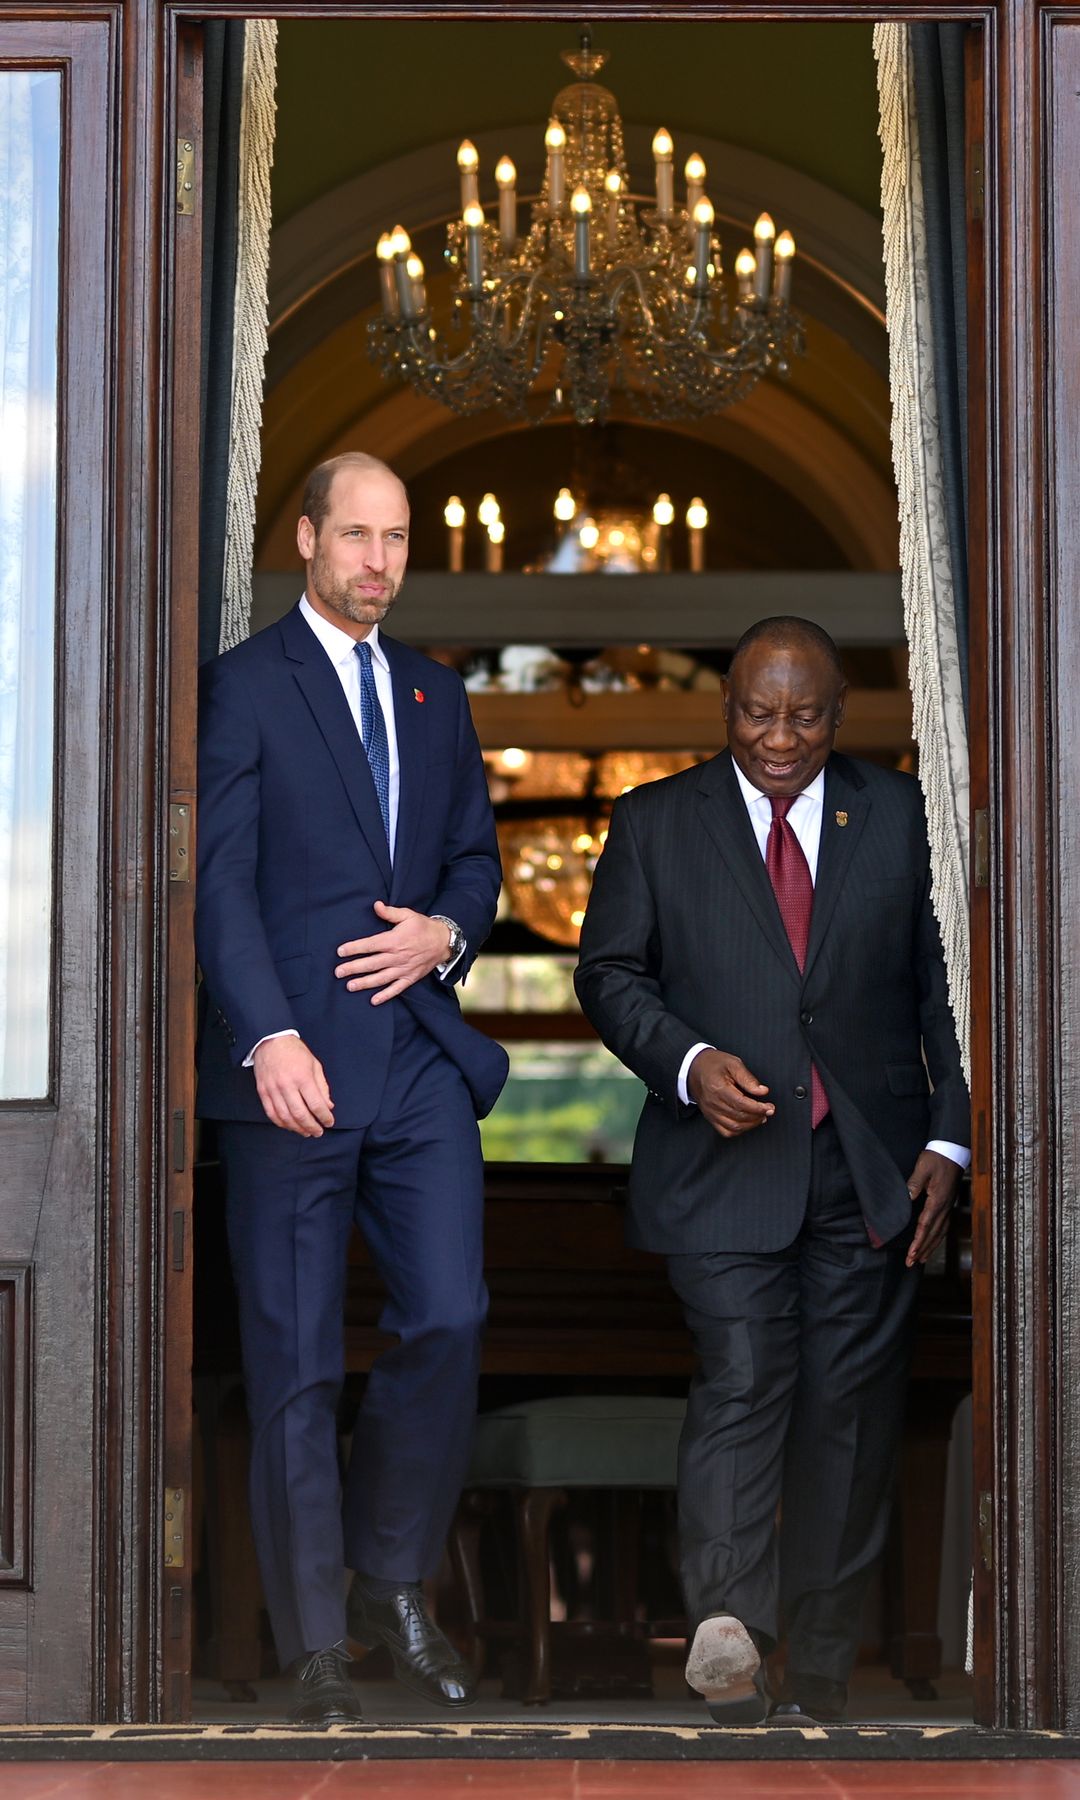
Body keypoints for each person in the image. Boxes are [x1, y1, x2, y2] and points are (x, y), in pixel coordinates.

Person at [574, 616, 969, 1725]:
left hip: (872, 1169)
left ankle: (827, 1670)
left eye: (804, 715)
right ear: (727, 707)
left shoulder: (897, 813)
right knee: (743, 1379)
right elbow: (608, 978)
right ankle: (733, 1639)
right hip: (722, 1167)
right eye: (758, 711)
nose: (780, 736)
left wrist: (950, 1135)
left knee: (847, 1413)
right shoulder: (656, 822)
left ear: (839, 716)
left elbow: (947, 989)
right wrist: (688, 1063)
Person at [195, 452, 508, 1724]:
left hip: (421, 1057)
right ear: (309, 538)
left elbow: (478, 861)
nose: (378, 563)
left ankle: (387, 1575)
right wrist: (267, 1037)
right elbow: (217, 882)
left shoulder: (437, 696)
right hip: (295, 1071)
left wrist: (448, 931)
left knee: (450, 1315)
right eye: (357, 538)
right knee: (296, 1361)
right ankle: (318, 1641)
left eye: (397, 541)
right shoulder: (241, 688)